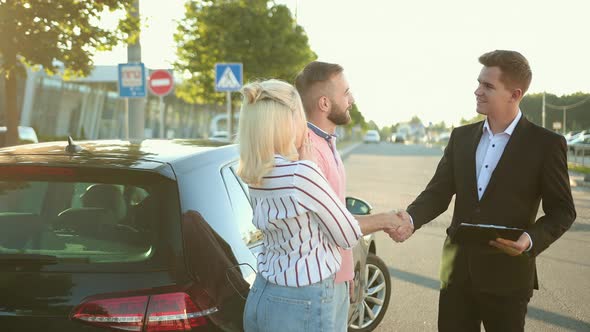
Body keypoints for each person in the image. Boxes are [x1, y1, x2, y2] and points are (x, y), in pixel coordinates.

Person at [388, 50, 576, 331]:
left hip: (508, 277)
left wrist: (529, 239)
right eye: (479, 83)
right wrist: (411, 220)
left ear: (515, 94)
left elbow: (562, 211)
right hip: (456, 275)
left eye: (488, 86)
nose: (477, 91)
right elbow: (438, 192)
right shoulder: (460, 138)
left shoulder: (546, 145)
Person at [237, 79, 401, 332]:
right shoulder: (301, 173)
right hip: (303, 299)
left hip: (263, 292)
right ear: (288, 121)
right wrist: (386, 219)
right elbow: (346, 234)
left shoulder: (255, 173)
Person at [294, 61, 362, 328]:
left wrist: (348, 276)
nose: (352, 100)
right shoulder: (308, 151)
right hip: (321, 285)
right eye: (346, 93)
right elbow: (330, 225)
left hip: (336, 279)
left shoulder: (326, 143)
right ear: (324, 103)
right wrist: (387, 220)